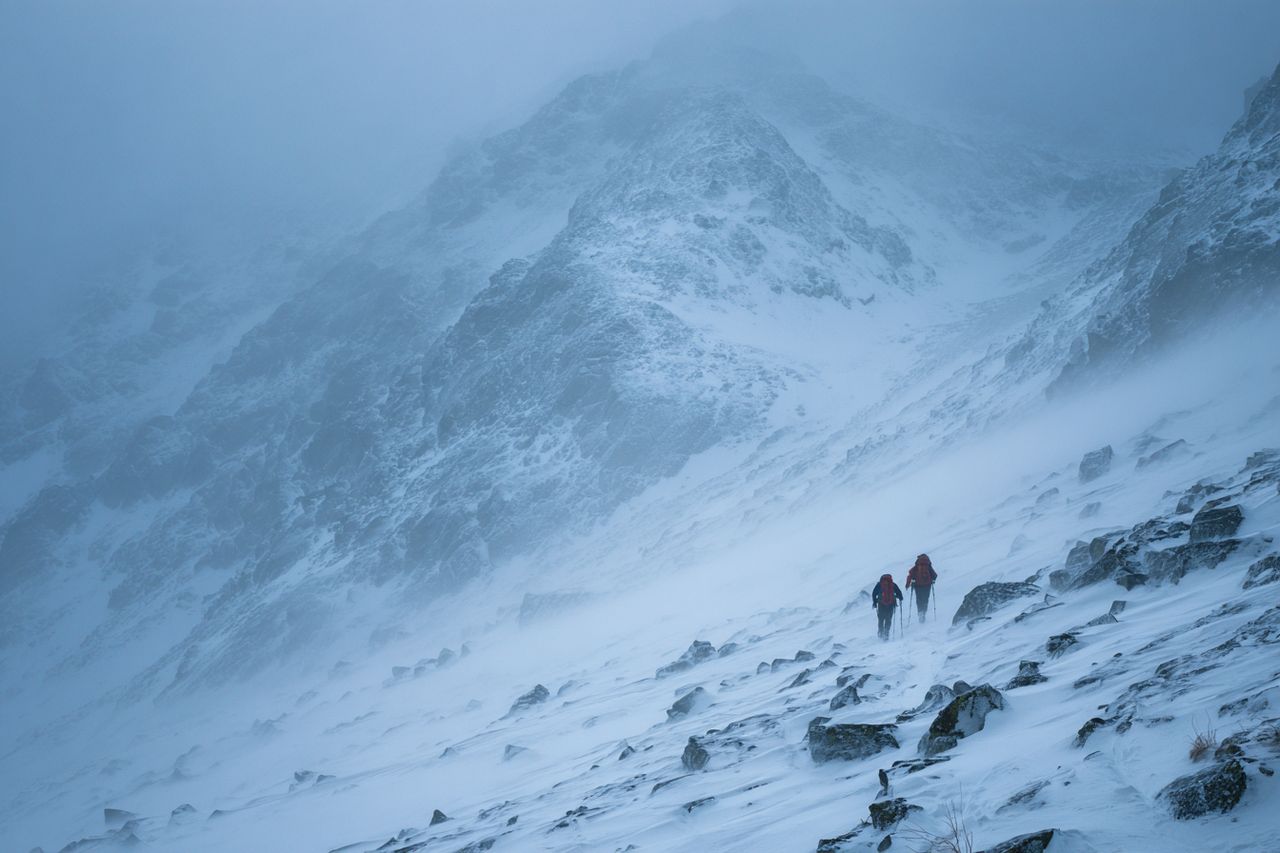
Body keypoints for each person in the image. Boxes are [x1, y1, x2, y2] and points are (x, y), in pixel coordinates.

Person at [905, 554, 937, 620]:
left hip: (917, 585)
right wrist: (932, 580)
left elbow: (910, 574)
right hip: (927, 585)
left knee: (919, 599)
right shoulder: (928, 565)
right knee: (925, 599)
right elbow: (935, 575)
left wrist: (907, 584)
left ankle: (920, 612)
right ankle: (924, 612)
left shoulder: (917, 565)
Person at [871, 573, 903, 640]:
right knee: (888, 619)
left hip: (881, 604)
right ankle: (886, 633)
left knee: (881, 619)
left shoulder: (879, 585)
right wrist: (899, 597)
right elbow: (899, 593)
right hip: (891, 604)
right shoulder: (893, 585)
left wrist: (874, 602)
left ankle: (880, 632)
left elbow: (874, 593)